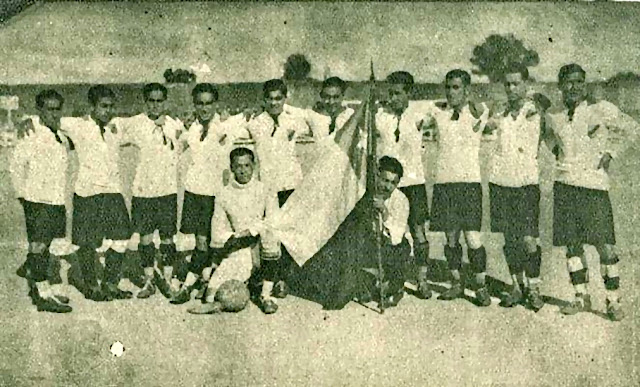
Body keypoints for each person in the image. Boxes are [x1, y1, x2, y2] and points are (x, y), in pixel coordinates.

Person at [544, 64, 639, 321]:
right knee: (572, 245)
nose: (573, 87)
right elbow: (549, 137)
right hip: (565, 185)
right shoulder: (555, 114)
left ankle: (612, 301)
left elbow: (632, 128)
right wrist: (558, 154)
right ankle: (580, 297)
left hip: (594, 187)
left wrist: (610, 153)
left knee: (605, 246)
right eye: (568, 82)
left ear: (584, 84)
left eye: (578, 82)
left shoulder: (601, 108)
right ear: (561, 85)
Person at [171, 83, 246, 304]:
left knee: (212, 243)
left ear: (216, 104)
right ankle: (200, 281)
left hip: (215, 195)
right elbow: (176, 144)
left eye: (208, 103)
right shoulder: (191, 130)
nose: (204, 108)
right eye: (200, 103)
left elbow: (250, 123)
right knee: (198, 242)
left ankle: (193, 285)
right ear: (195, 105)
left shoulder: (226, 126)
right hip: (194, 192)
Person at [58, 85, 134, 301]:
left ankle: (110, 283)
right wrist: (31, 121)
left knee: (121, 239)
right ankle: (91, 286)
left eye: (111, 107)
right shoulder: (78, 125)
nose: (108, 111)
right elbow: (50, 119)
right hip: (87, 192)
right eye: (103, 106)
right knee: (87, 242)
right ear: (92, 106)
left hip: (112, 191)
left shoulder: (116, 126)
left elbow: (141, 121)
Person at [239, 79, 311, 301]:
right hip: (267, 188)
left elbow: (316, 124)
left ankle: (283, 280)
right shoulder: (255, 123)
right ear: (263, 99)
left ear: (284, 98)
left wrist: (290, 109)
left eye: (278, 98)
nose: (274, 102)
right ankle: (263, 277)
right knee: (268, 234)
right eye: (269, 98)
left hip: (291, 185)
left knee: (289, 233)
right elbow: (234, 131)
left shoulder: (295, 121)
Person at [485, 65, 550, 311]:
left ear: (525, 83)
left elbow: (547, 105)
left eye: (516, 84)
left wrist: (534, 99)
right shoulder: (500, 113)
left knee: (528, 239)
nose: (512, 88)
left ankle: (534, 287)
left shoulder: (535, 109)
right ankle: (516, 285)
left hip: (526, 183)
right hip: (501, 182)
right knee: (510, 239)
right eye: (508, 84)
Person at [188, 147, 281, 314]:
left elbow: (273, 220)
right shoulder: (223, 194)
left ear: (254, 166)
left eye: (247, 165)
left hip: (260, 245)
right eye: (238, 166)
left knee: (270, 235)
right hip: (238, 245)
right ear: (231, 167)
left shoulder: (265, 189)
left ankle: (266, 295)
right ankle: (222, 293)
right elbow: (217, 231)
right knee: (213, 292)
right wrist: (235, 237)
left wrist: (251, 231)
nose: (243, 171)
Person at [113, 83, 185, 299]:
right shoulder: (135, 123)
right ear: (145, 102)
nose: (155, 105)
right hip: (143, 192)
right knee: (145, 239)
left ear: (165, 102)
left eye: (159, 101)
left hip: (167, 191)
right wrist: (29, 121)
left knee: (168, 239)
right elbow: (111, 128)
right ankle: (148, 281)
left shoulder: (174, 124)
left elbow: (189, 142)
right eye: (151, 101)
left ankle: (169, 277)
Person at [427, 69, 492, 306]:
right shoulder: (437, 112)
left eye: (456, 87)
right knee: (451, 239)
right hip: (445, 184)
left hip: (469, 184)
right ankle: (456, 283)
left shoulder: (478, 112)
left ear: (466, 89)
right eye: (448, 87)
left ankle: (480, 286)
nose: (451, 92)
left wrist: (469, 102)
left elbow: (485, 110)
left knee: (473, 238)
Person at [10, 89, 73, 312]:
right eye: (49, 109)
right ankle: (42, 296)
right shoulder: (31, 133)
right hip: (37, 200)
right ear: (39, 110)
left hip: (55, 200)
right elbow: (17, 166)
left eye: (58, 109)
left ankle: (44, 286)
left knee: (48, 247)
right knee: (39, 246)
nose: (54, 113)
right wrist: (22, 196)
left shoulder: (60, 133)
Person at [375, 71, 433, 299]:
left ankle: (422, 280)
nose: (393, 98)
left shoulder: (421, 114)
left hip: (413, 183)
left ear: (409, 93)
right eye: (390, 93)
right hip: (389, 185)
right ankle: (391, 278)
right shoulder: (380, 116)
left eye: (398, 93)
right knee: (385, 230)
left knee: (418, 232)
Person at [355, 156, 412, 307]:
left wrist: (385, 213)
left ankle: (394, 286)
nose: (388, 186)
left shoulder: (401, 200)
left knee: (401, 248)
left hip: (392, 247)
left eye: (393, 183)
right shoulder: (367, 194)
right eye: (385, 180)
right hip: (370, 245)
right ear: (377, 176)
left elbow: (397, 237)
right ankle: (373, 280)